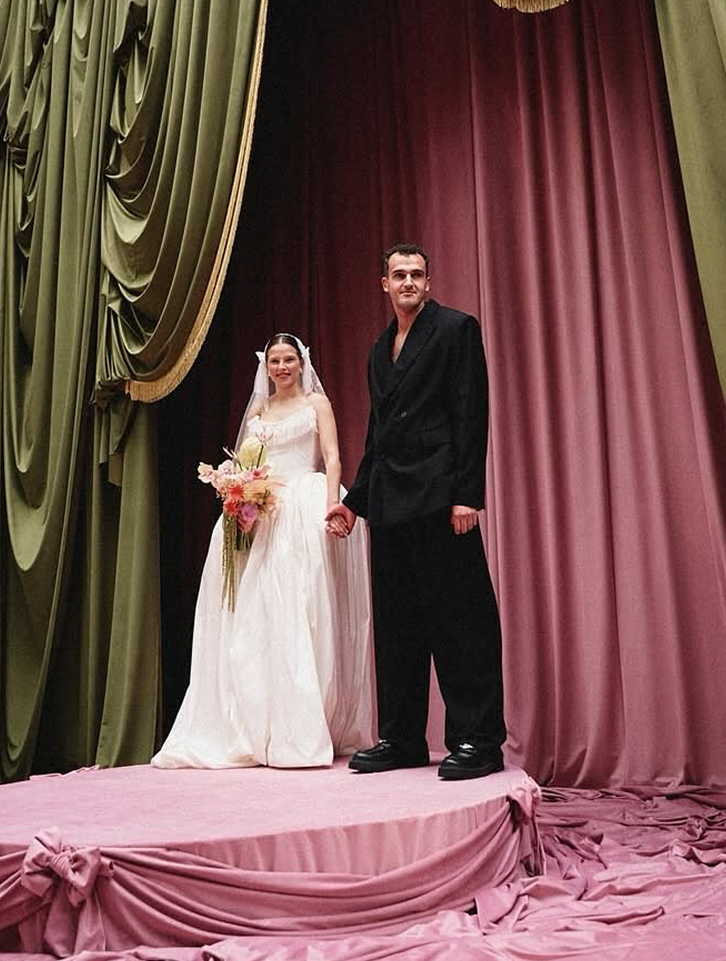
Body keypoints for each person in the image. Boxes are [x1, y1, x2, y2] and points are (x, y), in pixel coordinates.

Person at [326, 245, 506, 780]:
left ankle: (478, 741)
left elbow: (470, 413)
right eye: (399, 274)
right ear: (384, 283)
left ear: (428, 283)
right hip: (390, 504)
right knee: (397, 627)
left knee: (461, 623)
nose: (408, 281)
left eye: (417, 274)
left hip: (440, 499)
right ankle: (402, 738)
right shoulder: (379, 350)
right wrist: (355, 502)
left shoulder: (456, 330)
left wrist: (467, 494)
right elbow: (378, 435)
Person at [153, 333, 372, 769]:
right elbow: (246, 463)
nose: (282, 367)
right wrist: (238, 493)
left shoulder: (316, 405)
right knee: (254, 615)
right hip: (261, 512)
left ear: (302, 363)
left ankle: (302, 724)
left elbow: (332, 457)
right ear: (266, 366)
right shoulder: (258, 411)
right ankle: (254, 723)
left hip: (301, 507)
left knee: (299, 610)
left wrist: (332, 501)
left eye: (289, 359)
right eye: (275, 361)